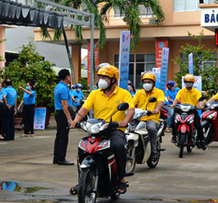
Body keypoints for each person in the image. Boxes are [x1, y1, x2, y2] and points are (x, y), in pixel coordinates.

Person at [70, 65, 135, 194]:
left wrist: (125, 121)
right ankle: (83, 180)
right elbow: (85, 108)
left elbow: (131, 110)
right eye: (100, 77)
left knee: (118, 145)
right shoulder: (95, 93)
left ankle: (121, 178)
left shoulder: (123, 93)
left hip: (115, 129)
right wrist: (75, 121)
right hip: (97, 129)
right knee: (83, 148)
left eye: (105, 77)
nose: (102, 80)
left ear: (113, 80)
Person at [170, 73, 207, 150]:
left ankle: (202, 141)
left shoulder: (196, 92)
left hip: (192, 111)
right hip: (182, 111)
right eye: (186, 82)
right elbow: (177, 99)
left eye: (189, 82)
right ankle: (174, 136)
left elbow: (199, 100)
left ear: (193, 83)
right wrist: (173, 104)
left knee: (199, 126)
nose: (188, 83)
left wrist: (200, 105)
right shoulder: (181, 91)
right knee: (174, 121)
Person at [133, 72, 164, 158]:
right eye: (145, 82)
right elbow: (132, 103)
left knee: (151, 128)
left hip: (152, 118)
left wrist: (157, 109)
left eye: (149, 82)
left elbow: (161, 102)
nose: (146, 84)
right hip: (140, 117)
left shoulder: (159, 92)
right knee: (130, 130)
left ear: (153, 83)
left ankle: (153, 150)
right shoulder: (139, 93)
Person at [53, 69, 73, 165]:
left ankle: (56, 157)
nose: (70, 78)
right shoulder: (64, 88)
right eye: (70, 76)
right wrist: (69, 119)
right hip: (63, 113)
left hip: (58, 112)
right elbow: (64, 105)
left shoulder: (58, 87)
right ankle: (61, 158)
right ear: (67, 77)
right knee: (64, 136)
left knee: (59, 136)